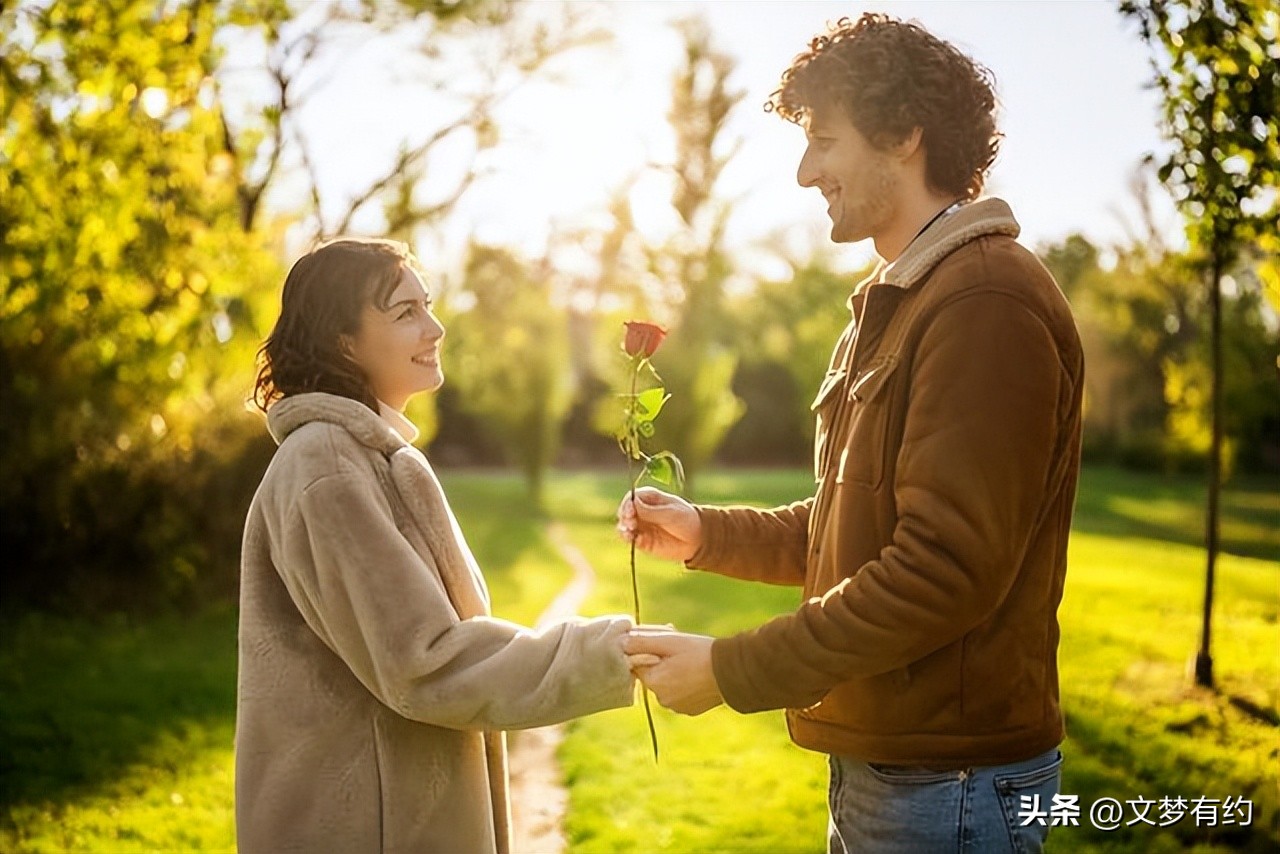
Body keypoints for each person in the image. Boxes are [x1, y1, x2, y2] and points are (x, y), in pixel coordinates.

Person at [621, 13, 1084, 854]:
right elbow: (856, 527)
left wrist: (729, 670)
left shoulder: (984, 301)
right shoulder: (904, 300)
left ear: (904, 134)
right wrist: (705, 533)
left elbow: (940, 573)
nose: (806, 174)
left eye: (824, 142)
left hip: (952, 790)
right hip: (899, 771)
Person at [237, 237, 636, 854]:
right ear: (343, 342)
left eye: (427, 305)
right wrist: (610, 652)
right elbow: (425, 663)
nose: (436, 327)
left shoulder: (366, 457)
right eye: (405, 313)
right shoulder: (327, 465)